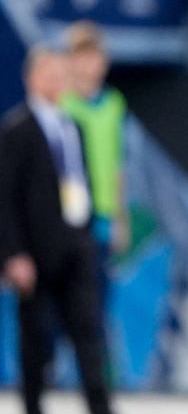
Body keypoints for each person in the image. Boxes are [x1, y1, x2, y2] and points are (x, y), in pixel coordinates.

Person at [0, 45, 143, 414]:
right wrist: (12, 255)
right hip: (36, 251)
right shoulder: (18, 128)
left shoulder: (70, 125)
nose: (60, 83)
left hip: (77, 243)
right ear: (33, 79)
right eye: (52, 75)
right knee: (36, 339)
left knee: (89, 331)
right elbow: (5, 199)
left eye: (63, 75)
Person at [60, 22, 129, 336]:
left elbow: (118, 164)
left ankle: (94, 378)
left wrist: (119, 216)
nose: (88, 64)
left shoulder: (114, 105)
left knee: (99, 298)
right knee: (61, 298)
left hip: (101, 215)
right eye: (80, 56)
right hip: (67, 217)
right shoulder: (61, 105)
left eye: (94, 55)